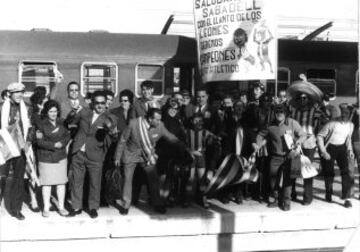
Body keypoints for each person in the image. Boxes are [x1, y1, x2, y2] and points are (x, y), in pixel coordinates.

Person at [114, 108, 181, 215]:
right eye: (157, 119)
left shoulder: (160, 125)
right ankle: (126, 205)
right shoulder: (133, 124)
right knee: (127, 179)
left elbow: (171, 137)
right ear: (150, 119)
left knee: (154, 178)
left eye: (160, 119)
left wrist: (184, 147)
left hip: (147, 155)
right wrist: (117, 157)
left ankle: (157, 204)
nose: (160, 122)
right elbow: (123, 140)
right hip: (130, 154)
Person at [65, 90, 118, 218]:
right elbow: (71, 121)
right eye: (97, 103)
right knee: (76, 181)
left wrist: (109, 128)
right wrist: (72, 112)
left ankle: (93, 207)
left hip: (95, 155)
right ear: (93, 103)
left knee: (95, 183)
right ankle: (76, 207)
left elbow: (112, 127)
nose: (100, 105)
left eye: (102, 103)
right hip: (79, 153)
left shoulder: (110, 117)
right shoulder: (84, 112)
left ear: (106, 103)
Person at [253, 104, 306, 211]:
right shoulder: (270, 125)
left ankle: (286, 202)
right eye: (277, 112)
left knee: (288, 180)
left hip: (291, 156)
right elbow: (260, 135)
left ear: (285, 113)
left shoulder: (292, 123)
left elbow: (303, 135)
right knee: (273, 180)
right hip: (275, 157)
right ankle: (277, 199)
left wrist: (299, 142)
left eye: (281, 112)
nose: (279, 114)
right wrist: (257, 144)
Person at [0, 82, 32, 220]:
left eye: (22, 92)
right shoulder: (1, 108)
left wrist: (28, 143)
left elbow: (31, 128)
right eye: (16, 92)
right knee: (1, 178)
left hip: (20, 148)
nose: (20, 95)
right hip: (4, 147)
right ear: (9, 94)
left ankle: (16, 208)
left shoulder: (27, 108)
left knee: (19, 179)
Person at [36, 100, 71, 217]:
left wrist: (63, 143)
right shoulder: (41, 124)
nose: (53, 114)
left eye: (55, 111)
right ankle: (46, 208)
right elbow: (38, 141)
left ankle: (61, 207)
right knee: (46, 183)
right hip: (46, 158)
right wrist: (53, 145)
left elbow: (67, 136)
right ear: (46, 112)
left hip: (61, 157)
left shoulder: (62, 122)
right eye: (51, 111)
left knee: (61, 183)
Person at [288, 92, 323, 205]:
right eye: (300, 98)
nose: (302, 100)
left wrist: (316, 139)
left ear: (308, 99)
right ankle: (291, 194)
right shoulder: (293, 111)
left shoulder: (314, 111)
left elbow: (320, 125)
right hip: (296, 141)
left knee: (307, 170)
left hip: (308, 142)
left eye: (305, 98)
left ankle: (307, 197)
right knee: (294, 169)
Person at [317, 104, 355, 208]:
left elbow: (348, 139)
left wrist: (350, 150)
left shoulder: (351, 125)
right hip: (330, 148)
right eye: (343, 112)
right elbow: (320, 136)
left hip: (342, 148)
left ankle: (346, 198)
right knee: (329, 172)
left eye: (346, 113)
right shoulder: (332, 123)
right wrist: (323, 151)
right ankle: (328, 192)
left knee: (346, 172)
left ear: (350, 114)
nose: (344, 115)